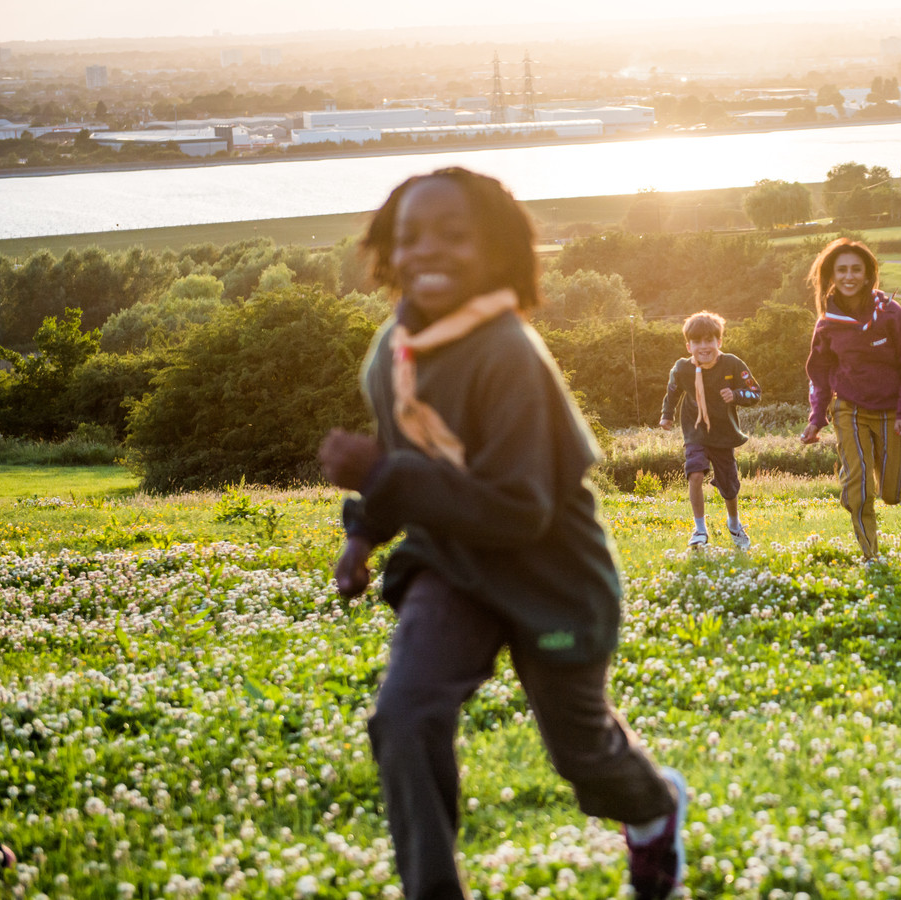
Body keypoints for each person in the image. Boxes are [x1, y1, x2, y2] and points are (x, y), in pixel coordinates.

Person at [316, 167, 687, 900]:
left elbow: (519, 509)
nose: (430, 252)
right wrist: (363, 533)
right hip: (450, 565)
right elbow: (409, 457)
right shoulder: (392, 349)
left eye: (456, 237)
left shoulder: (508, 352)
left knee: (581, 754)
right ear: (388, 248)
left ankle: (652, 811)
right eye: (412, 236)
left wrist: (380, 479)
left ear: (498, 253)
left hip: (549, 573)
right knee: (404, 716)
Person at [799, 237, 901, 560]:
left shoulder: (892, 315)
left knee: (892, 495)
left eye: (856, 269)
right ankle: (871, 556)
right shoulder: (827, 323)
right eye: (842, 270)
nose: (849, 276)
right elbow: (819, 374)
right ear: (831, 275)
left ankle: (899, 479)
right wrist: (816, 419)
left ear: (869, 275)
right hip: (848, 408)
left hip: (891, 409)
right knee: (858, 486)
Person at [658, 310, 761, 550]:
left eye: (709, 340)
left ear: (719, 342)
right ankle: (699, 529)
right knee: (694, 472)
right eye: (697, 342)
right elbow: (672, 392)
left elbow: (755, 392)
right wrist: (666, 415)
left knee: (729, 484)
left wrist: (735, 395)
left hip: (724, 434)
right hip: (695, 432)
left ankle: (734, 523)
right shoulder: (682, 368)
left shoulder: (732, 364)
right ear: (688, 345)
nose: (703, 346)